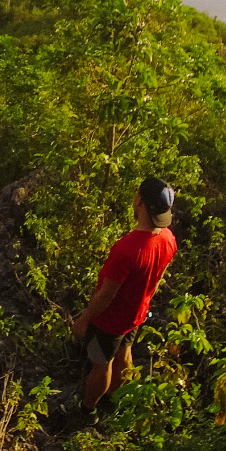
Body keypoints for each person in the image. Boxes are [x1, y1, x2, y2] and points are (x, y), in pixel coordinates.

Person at [72, 176, 179, 415]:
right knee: (124, 351)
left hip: (110, 320)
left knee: (102, 364)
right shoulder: (168, 240)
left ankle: (88, 410)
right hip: (137, 314)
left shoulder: (127, 249)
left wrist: (84, 319)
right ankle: (117, 400)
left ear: (139, 201)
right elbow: (157, 278)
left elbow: (106, 296)